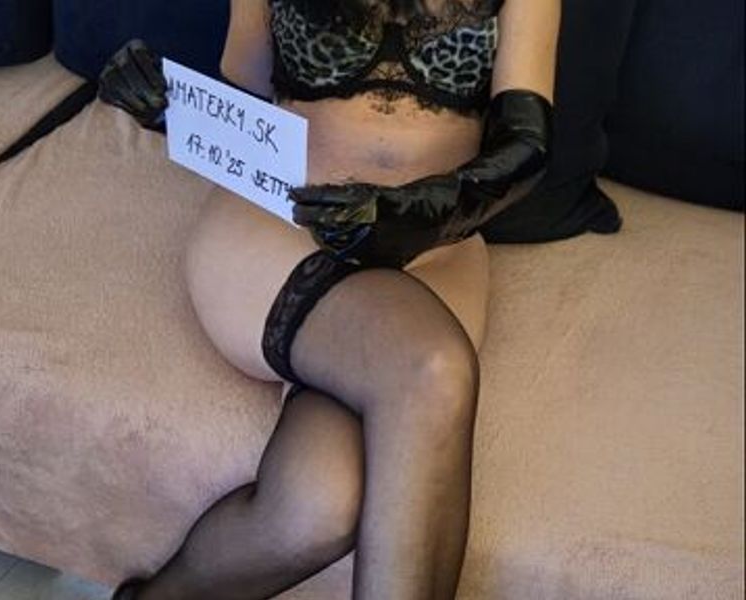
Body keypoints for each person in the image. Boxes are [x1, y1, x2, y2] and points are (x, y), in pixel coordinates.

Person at [105, 0, 558, 598]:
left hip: (434, 247)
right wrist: (169, 105)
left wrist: (422, 211)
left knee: (318, 508)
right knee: (429, 368)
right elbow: (243, 98)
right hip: (281, 224)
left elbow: (526, 144)